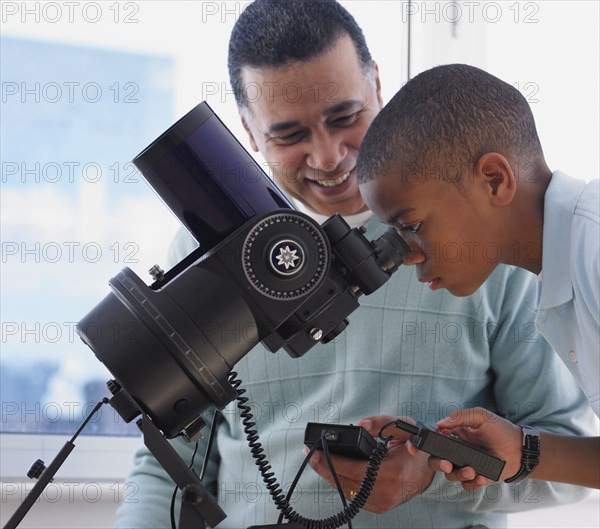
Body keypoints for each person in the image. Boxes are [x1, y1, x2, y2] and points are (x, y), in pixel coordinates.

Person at [115, 3, 596, 528]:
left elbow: (565, 459)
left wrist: (435, 480)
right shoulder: (206, 253)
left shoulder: (488, 240)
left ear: (378, 88)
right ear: (250, 135)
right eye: (290, 135)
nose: (327, 156)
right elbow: (170, 463)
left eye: (345, 118)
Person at [356, 63, 599, 490]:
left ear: (493, 180)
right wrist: (522, 451)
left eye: (411, 226)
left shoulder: (593, 249)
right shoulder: (563, 267)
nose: (407, 255)